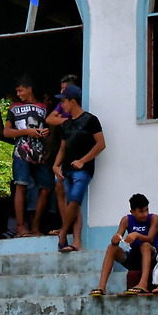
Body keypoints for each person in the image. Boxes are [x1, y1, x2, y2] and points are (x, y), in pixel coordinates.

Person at [51, 84, 104, 253]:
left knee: (74, 200)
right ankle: (76, 241)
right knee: (71, 204)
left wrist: (83, 160)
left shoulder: (90, 120)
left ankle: (63, 234)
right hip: (66, 169)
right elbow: (63, 148)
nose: (62, 106)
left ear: (73, 101)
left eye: (64, 102)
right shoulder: (66, 124)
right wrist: (55, 165)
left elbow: (101, 144)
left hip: (83, 169)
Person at [3, 75, 53, 237]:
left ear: (29, 88)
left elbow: (50, 129)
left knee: (45, 188)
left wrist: (45, 133)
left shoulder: (43, 107)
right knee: (21, 185)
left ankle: (35, 227)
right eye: (17, 91)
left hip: (40, 151)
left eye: (21, 90)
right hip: (21, 151)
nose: (18, 94)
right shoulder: (14, 108)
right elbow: (7, 132)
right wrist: (27, 132)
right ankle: (20, 227)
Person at [91, 193, 158, 295]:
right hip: (134, 258)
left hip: (152, 258)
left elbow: (150, 238)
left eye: (147, 210)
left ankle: (143, 284)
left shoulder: (154, 218)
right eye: (141, 211)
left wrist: (137, 235)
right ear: (132, 212)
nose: (145, 214)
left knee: (145, 245)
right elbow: (117, 238)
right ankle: (101, 287)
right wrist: (115, 239)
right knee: (111, 248)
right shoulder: (126, 220)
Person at [45, 74, 80, 231]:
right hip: (62, 149)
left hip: (75, 152)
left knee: (72, 190)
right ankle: (65, 226)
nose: (61, 94)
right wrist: (67, 121)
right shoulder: (61, 105)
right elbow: (50, 119)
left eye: (64, 90)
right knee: (59, 188)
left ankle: (74, 228)